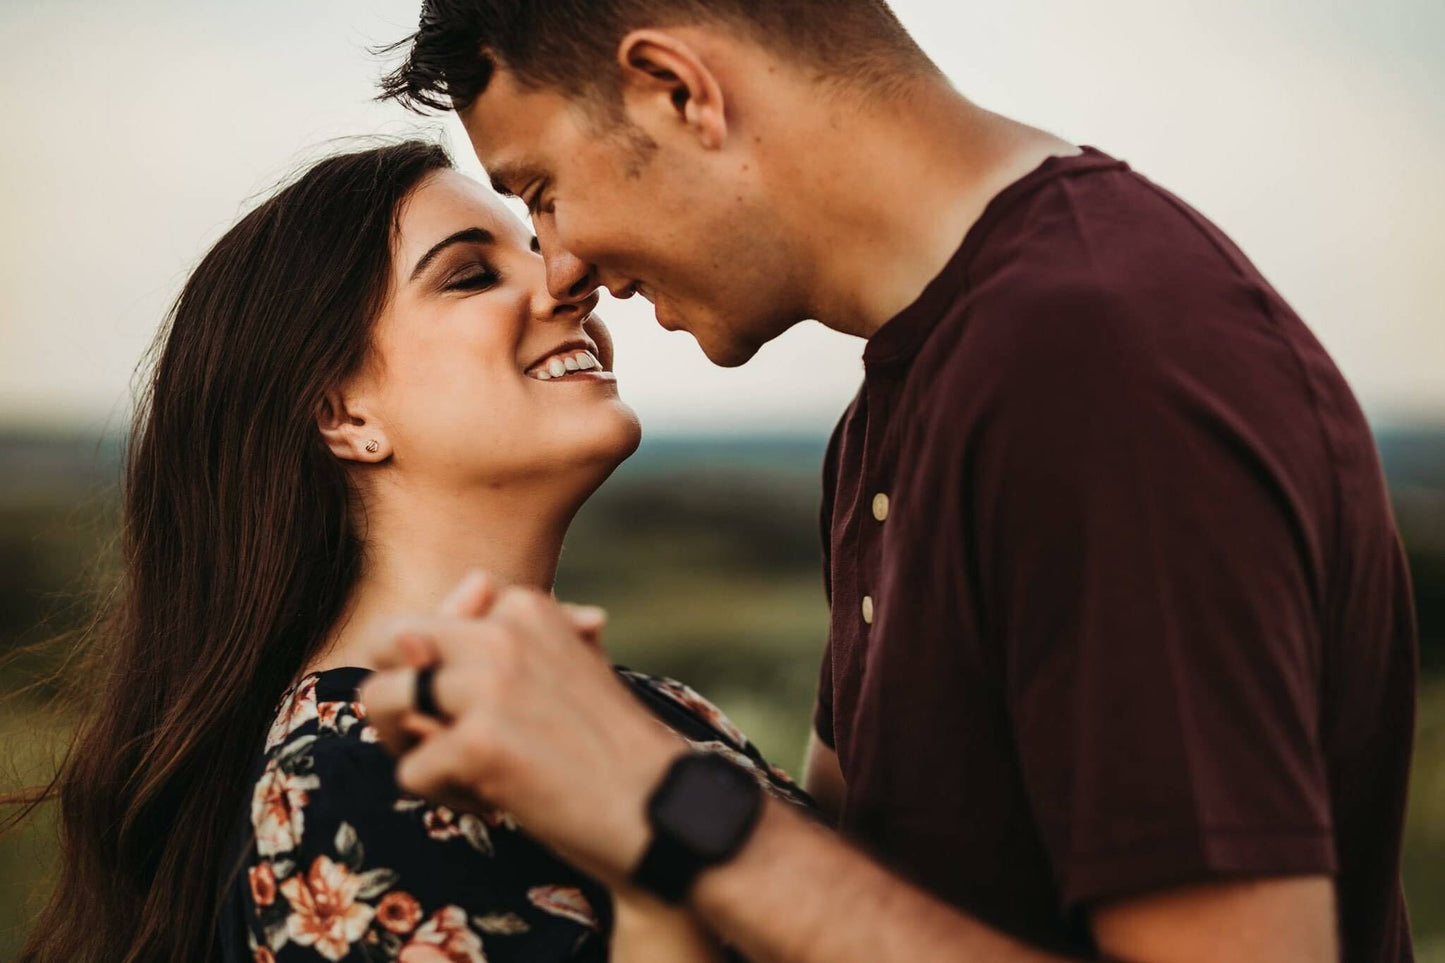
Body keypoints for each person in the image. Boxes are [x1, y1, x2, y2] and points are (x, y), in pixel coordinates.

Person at [355, 1, 1419, 961]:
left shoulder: (1092, 363)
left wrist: (665, 804)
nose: (563, 267)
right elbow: (855, 888)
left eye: (543, 192)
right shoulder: (896, 410)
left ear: (678, 91)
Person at [10, 140, 812, 963]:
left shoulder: (663, 712)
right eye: (470, 275)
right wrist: (655, 868)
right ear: (344, 414)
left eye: (535, 246)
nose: (568, 280)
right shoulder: (346, 793)